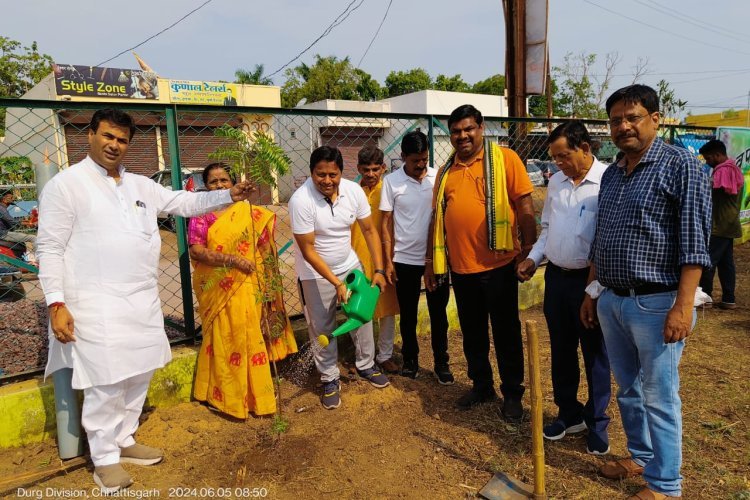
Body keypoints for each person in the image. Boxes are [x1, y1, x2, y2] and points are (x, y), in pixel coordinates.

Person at [36, 108, 255, 493]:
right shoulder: (66, 185)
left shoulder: (140, 185)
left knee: (139, 370)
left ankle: (125, 438)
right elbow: (50, 247)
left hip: (141, 299)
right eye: (107, 136)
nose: (114, 145)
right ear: (90, 135)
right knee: (105, 379)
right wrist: (56, 302)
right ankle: (104, 458)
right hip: (94, 302)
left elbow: (181, 204)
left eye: (121, 140)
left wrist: (227, 195)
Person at [581, 84, 711, 499]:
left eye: (632, 117)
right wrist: (592, 290)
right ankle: (640, 456)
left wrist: (683, 305)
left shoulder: (681, 167)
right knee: (630, 389)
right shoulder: (614, 172)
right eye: (616, 119)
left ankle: (666, 485)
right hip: (613, 299)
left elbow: (695, 243)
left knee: (659, 395)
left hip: (657, 303)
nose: (623, 126)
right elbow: (602, 237)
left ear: (655, 118)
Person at [425, 104, 537, 421]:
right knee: (473, 333)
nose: (462, 136)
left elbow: (525, 204)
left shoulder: (504, 159)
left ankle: (512, 394)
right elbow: (436, 219)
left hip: (500, 266)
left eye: (468, 129)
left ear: (481, 127)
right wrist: (429, 262)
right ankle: (482, 385)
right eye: (456, 131)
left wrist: (528, 249)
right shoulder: (446, 171)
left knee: (506, 333)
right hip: (462, 270)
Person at [516, 121, 611, 455]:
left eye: (563, 156)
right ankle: (569, 414)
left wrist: (594, 288)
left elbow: (606, 241)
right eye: (554, 158)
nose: (557, 164)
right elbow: (547, 228)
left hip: (591, 282)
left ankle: (597, 422)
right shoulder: (556, 182)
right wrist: (534, 258)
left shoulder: (608, 182)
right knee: (562, 349)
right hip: (556, 279)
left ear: (584, 148)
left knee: (595, 353)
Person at [189, 163, 298, 419]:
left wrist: (269, 287)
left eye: (224, 180)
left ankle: (254, 398)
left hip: (250, 283)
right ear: (206, 187)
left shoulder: (250, 212)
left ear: (233, 183)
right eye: (213, 182)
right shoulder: (201, 213)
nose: (219, 185)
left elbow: (265, 251)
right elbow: (195, 250)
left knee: (249, 333)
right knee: (223, 337)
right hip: (218, 286)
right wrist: (232, 260)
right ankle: (224, 397)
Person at [289, 145, 389, 410]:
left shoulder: (353, 191)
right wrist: (336, 283)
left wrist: (378, 270)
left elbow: (369, 231)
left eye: (332, 174)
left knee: (362, 316)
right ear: (312, 173)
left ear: (341, 173)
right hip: (315, 273)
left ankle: (366, 364)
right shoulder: (301, 200)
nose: (327, 181)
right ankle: (330, 377)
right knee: (322, 325)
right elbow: (308, 250)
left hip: (349, 264)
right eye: (320, 174)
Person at [381, 131, 452, 383]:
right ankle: (411, 360)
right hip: (404, 260)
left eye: (424, 159)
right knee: (408, 314)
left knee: (438, 314)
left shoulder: (439, 178)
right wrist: (388, 261)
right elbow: (386, 223)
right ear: (402, 157)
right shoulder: (391, 182)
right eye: (415, 161)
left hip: (438, 259)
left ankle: (442, 363)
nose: (421, 165)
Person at [350, 146, 399, 374]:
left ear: (383, 168)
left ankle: (385, 355)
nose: (370, 174)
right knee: (358, 309)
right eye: (366, 169)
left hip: (384, 261)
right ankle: (362, 356)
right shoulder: (349, 192)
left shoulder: (388, 191)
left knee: (387, 310)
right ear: (358, 168)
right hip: (356, 260)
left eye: (375, 169)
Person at [698, 139, 744, 310]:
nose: (708, 163)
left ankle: (705, 298)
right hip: (730, 224)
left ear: (718, 155)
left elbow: (714, 191)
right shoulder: (734, 169)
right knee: (726, 264)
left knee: (708, 261)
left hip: (719, 225)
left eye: (709, 158)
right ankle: (729, 298)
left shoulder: (723, 171)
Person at [0, 190, 36, 260]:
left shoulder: (2, 208)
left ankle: (25, 259)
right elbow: (12, 221)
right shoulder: (1, 208)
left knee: (22, 243)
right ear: (4, 199)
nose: (13, 199)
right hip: (3, 234)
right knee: (33, 238)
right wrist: (30, 223)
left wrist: (27, 221)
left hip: (4, 233)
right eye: (11, 197)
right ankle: (37, 259)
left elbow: (13, 220)